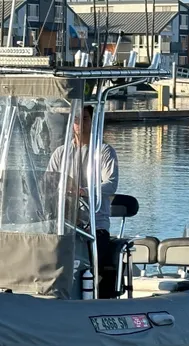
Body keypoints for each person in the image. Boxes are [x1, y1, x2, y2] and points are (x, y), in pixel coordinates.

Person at [46, 105, 119, 297]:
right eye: (76, 119)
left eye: (84, 118)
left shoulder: (104, 151)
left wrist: (82, 191)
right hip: (66, 223)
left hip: (95, 225)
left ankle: (99, 298)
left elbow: (110, 184)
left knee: (97, 268)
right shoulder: (60, 153)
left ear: (92, 121)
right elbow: (47, 183)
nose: (79, 123)